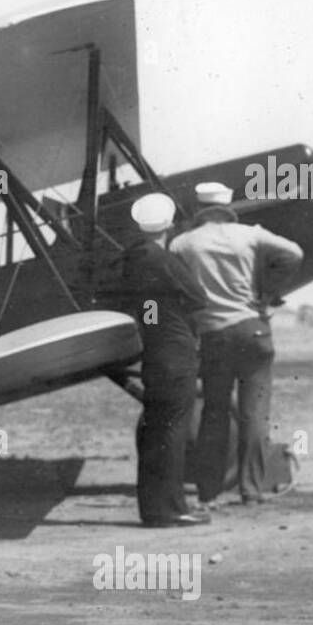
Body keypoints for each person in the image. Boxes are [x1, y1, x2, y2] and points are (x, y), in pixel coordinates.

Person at [170, 181, 304, 507]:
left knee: (214, 413)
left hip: (213, 335)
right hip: (253, 330)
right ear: (227, 206)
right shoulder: (250, 234)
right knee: (255, 414)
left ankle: (209, 492)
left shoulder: (182, 243)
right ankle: (251, 490)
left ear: (200, 208)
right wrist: (268, 292)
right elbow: (295, 253)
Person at [110, 193, 211, 527]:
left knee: (155, 434)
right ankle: (171, 510)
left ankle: (155, 509)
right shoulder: (161, 259)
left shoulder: (132, 260)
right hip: (176, 354)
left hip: (154, 351)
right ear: (168, 224)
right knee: (172, 433)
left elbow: (147, 311)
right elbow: (199, 298)